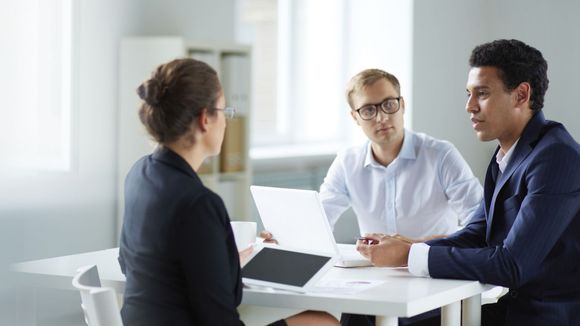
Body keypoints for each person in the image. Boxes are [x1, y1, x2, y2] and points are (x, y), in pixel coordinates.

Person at [357, 39, 580, 325]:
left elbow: (512, 265)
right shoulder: (507, 154)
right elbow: (476, 234)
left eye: (482, 94)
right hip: (509, 308)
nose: (469, 106)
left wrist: (411, 254)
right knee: (369, 315)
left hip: (543, 317)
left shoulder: (556, 157)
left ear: (521, 94)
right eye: (468, 94)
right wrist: (402, 249)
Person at [118, 58, 339, 326]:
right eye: (224, 112)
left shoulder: (140, 174)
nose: (226, 122)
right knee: (322, 321)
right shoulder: (198, 203)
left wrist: (223, 261)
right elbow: (220, 319)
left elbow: (131, 263)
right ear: (205, 119)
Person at [318, 69, 483, 241]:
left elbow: (480, 224)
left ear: (402, 105)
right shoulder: (347, 163)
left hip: (433, 264)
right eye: (368, 110)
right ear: (355, 118)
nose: (382, 118)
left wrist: (411, 248)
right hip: (373, 267)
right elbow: (319, 220)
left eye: (388, 104)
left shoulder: (441, 155)